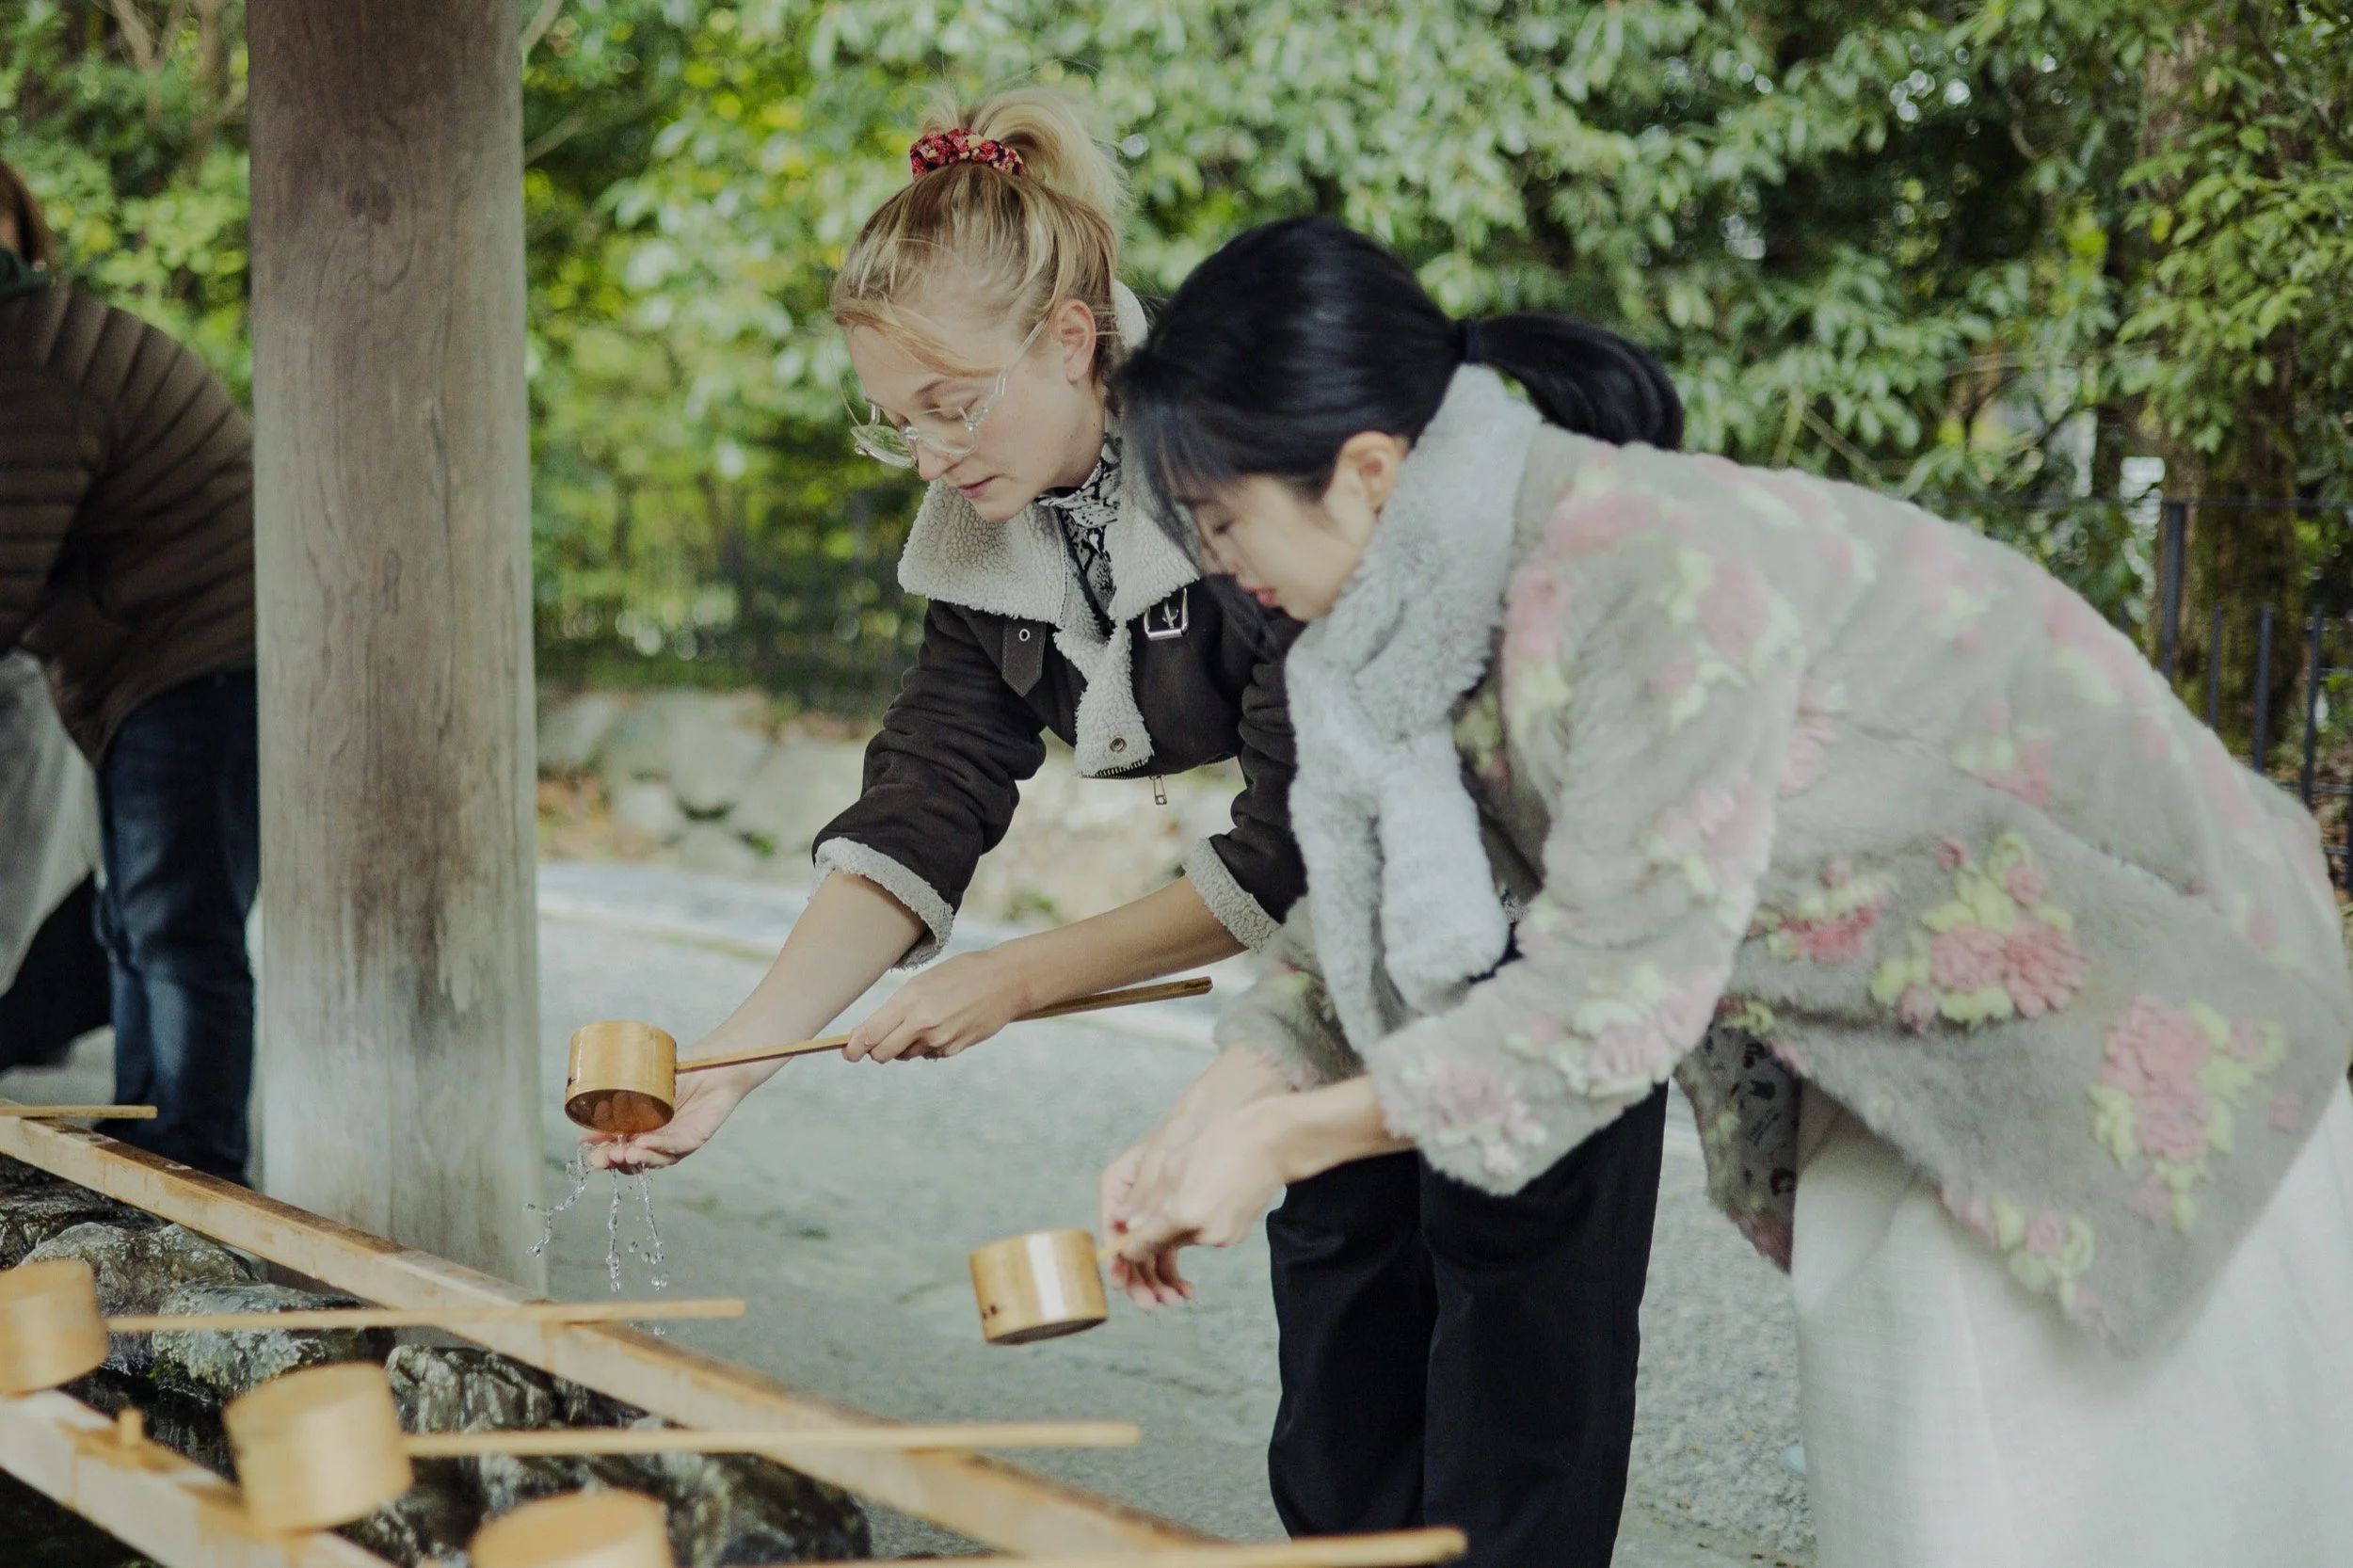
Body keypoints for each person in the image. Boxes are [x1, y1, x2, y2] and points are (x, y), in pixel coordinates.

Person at [1102, 216, 2353, 1568]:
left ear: (1364, 470)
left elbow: (1609, 1001)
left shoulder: (1640, 573)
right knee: (1929, 1502)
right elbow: (1376, 913)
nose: (1218, 561)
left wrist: (1284, 1144)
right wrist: (1222, 1098)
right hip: (1911, 1063)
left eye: (1224, 519)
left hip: (2133, 1047)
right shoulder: (1434, 621)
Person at [0, 158, 260, 1182]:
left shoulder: (28, 362)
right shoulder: (37, 338)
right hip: (154, 661)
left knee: (178, 918)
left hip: (201, 652)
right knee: (137, 920)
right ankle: (157, 1144)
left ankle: (194, 1164)